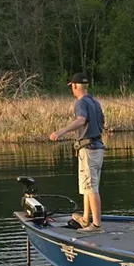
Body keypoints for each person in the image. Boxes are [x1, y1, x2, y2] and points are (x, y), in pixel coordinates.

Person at [49, 72, 106, 233]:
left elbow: (81, 120)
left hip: (89, 149)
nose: (72, 90)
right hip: (97, 147)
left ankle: (96, 225)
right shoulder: (95, 102)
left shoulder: (81, 103)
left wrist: (60, 132)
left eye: (72, 87)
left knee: (91, 187)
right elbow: (102, 121)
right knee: (87, 186)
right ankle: (85, 218)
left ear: (74, 86)